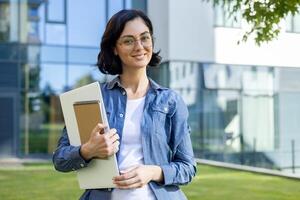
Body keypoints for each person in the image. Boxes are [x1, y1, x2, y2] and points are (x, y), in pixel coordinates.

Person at [52, 9, 196, 200]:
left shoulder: (170, 101)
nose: (139, 46)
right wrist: (87, 150)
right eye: (128, 41)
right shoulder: (92, 98)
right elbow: (60, 159)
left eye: (144, 38)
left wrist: (153, 172)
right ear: (114, 48)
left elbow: (188, 167)